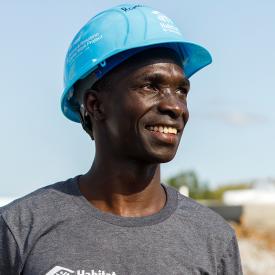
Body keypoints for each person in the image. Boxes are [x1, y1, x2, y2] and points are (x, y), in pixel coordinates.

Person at [0, 4, 243, 275]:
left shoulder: (212, 239)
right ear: (95, 104)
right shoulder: (20, 229)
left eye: (181, 91)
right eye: (151, 86)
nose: (176, 107)